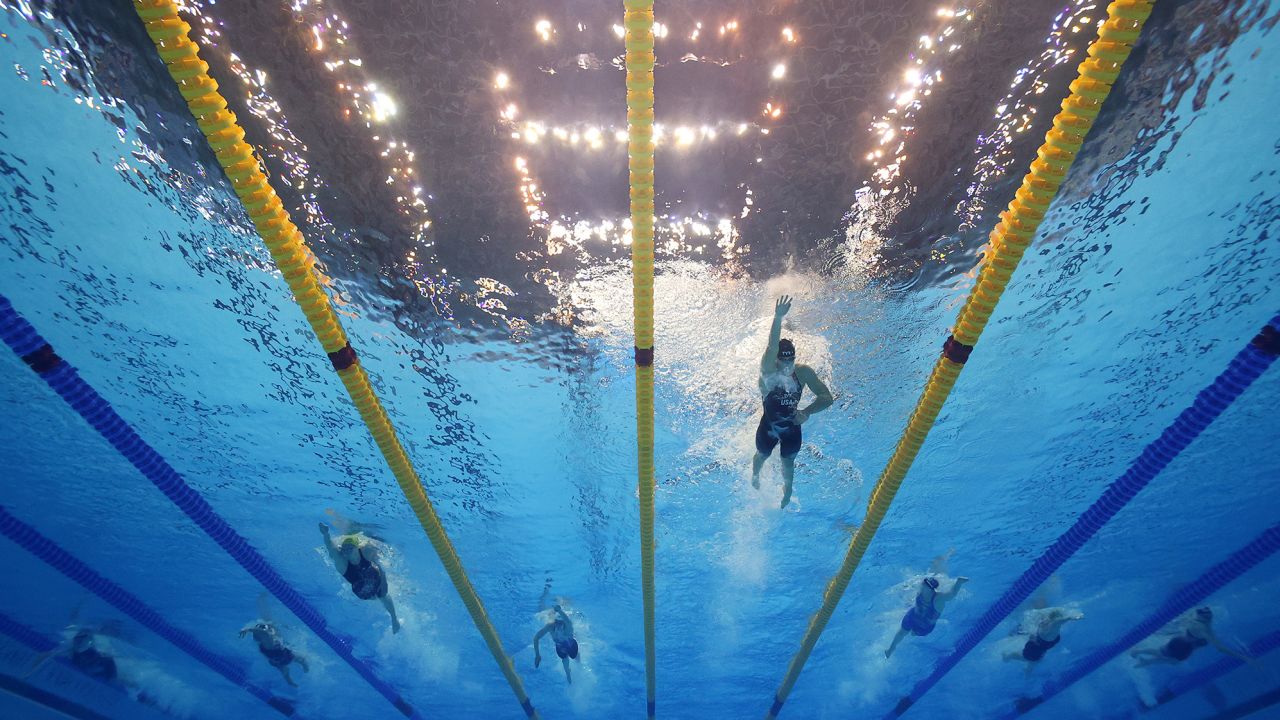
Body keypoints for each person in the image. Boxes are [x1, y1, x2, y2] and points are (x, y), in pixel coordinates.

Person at [751, 295, 834, 508]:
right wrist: (778, 318)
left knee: (788, 463)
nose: (787, 363)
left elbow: (827, 398)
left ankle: (786, 492)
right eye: (783, 359)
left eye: (791, 359)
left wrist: (806, 412)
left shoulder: (803, 373)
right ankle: (755, 476)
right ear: (776, 359)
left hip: (791, 427)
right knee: (762, 455)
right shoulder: (769, 372)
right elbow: (771, 347)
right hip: (768, 427)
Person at [320, 521, 401, 632]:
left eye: (350, 548)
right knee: (371, 596)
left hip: (374, 576)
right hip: (360, 587)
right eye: (344, 549)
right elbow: (331, 548)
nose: (347, 551)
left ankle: (394, 619)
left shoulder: (366, 551)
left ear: (357, 548)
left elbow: (380, 547)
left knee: (382, 595)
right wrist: (326, 534)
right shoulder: (342, 563)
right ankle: (374, 599)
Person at [885, 551, 969, 658]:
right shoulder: (921, 589)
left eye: (923, 584)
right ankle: (890, 649)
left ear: (929, 589)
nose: (921, 584)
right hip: (913, 615)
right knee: (902, 632)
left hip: (925, 625)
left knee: (913, 633)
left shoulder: (938, 599)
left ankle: (913, 632)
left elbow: (951, 595)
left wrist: (958, 583)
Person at [1130, 607, 1251, 667]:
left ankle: (1147, 661)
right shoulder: (1203, 629)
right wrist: (1243, 658)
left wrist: (1243, 658)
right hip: (1182, 642)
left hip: (1188, 643)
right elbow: (1221, 648)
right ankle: (1140, 651)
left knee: (1174, 660)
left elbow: (1220, 648)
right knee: (1164, 653)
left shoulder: (1203, 626)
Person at [1003, 606, 1083, 670]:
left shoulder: (1046, 623)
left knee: (1034, 661)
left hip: (1038, 647)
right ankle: (1007, 656)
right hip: (1034, 649)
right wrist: (1072, 617)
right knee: (1029, 659)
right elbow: (1059, 621)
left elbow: (1056, 620)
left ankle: (1026, 671)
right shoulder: (1053, 628)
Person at [240, 620, 309, 687]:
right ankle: (305, 671)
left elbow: (264, 633)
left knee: (285, 670)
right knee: (301, 660)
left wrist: (248, 629)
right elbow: (264, 632)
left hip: (274, 659)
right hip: (281, 655)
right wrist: (248, 629)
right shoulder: (268, 640)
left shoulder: (265, 642)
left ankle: (290, 681)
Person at [533, 604, 578, 684]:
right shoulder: (550, 626)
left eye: (560, 622)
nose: (557, 624)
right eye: (556, 621)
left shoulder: (568, 627)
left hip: (571, 645)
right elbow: (536, 638)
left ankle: (579, 662)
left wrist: (559, 611)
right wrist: (537, 655)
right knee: (565, 662)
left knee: (575, 656)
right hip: (560, 647)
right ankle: (568, 675)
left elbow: (567, 620)